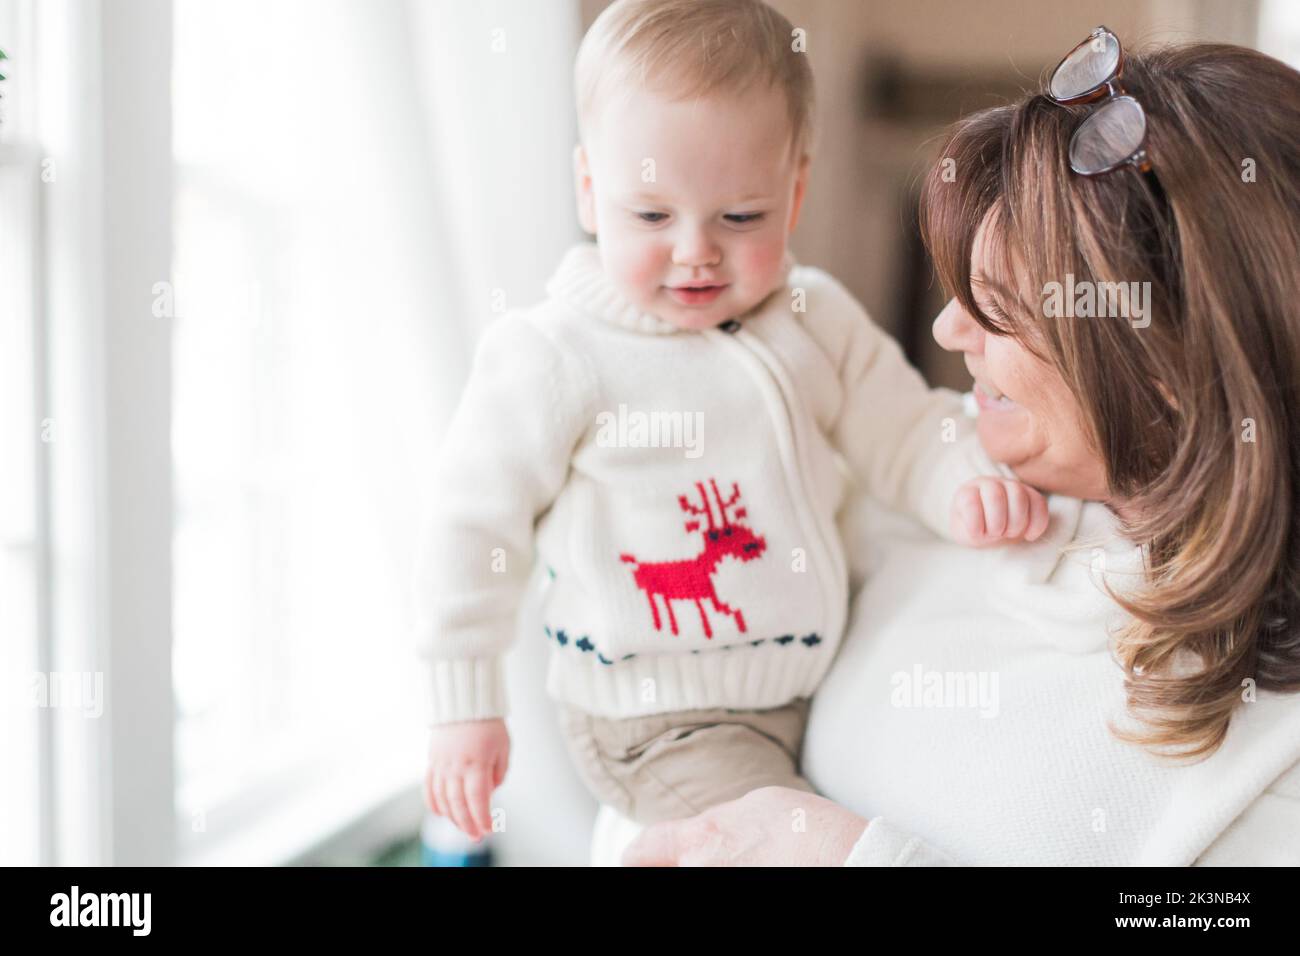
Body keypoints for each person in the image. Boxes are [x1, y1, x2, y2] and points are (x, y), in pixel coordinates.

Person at [614, 34, 1300, 866]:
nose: (948, 329)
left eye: (1000, 306)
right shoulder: (924, 484)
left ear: (1170, 366)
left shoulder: (1272, 755)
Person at [413, 0, 1042, 843]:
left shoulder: (816, 317)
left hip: (802, 685)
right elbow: (467, 524)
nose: (696, 251)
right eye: (651, 216)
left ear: (795, 190)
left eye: (739, 217)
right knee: (779, 841)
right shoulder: (552, 355)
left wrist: (964, 481)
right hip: (659, 718)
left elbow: (904, 427)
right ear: (590, 191)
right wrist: (464, 701)